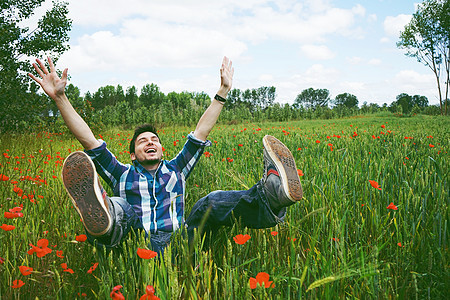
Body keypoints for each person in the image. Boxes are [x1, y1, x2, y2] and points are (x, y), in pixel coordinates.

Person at [28, 57, 303, 254]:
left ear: (162, 150)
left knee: (212, 201)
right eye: (142, 142)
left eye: (154, 140)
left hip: (183, 240)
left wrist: (222, 91)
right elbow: (88, 139)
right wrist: (60, 99)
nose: (149, 142)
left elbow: (201, 132)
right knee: (121, 208)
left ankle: (271, 196)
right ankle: (104, 217)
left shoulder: (176, 169)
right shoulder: (121, 173)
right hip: (138, 241)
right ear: (133, 155)